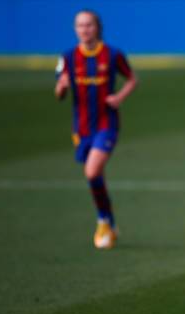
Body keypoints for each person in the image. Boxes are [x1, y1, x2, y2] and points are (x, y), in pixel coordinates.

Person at [54, 10, 137, 249]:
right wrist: (61, 87)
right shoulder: (68, 57)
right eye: (80, 25)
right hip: (81, 128)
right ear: (75, 29)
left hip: (106, 124)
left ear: (97, 27)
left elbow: (132, 79)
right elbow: (59, 94)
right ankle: (109, 221)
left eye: (88, 25)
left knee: (92, 172)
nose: (84, 29)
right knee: (95, 176)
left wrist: (119, 97)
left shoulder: (112, 55)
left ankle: (102, 221)